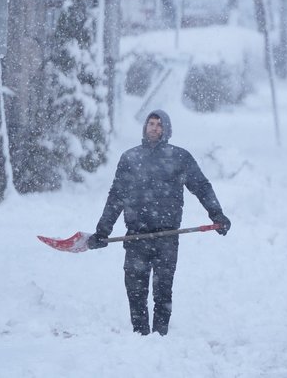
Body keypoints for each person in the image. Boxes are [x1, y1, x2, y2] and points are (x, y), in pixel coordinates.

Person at [88, 109, 231, 336]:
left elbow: (201, 186)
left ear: (167, 129)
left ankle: (160, 337)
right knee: (135, 290)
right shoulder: (130, 158)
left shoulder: (179, 157)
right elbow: (116, 196)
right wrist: (102, 231)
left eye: (159, 124)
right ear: (145, 128)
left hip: (167, 235)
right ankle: (140, 335)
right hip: (136, 236)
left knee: (163, 291)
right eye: (151, 124)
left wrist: (217, 215)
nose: (154, 128)